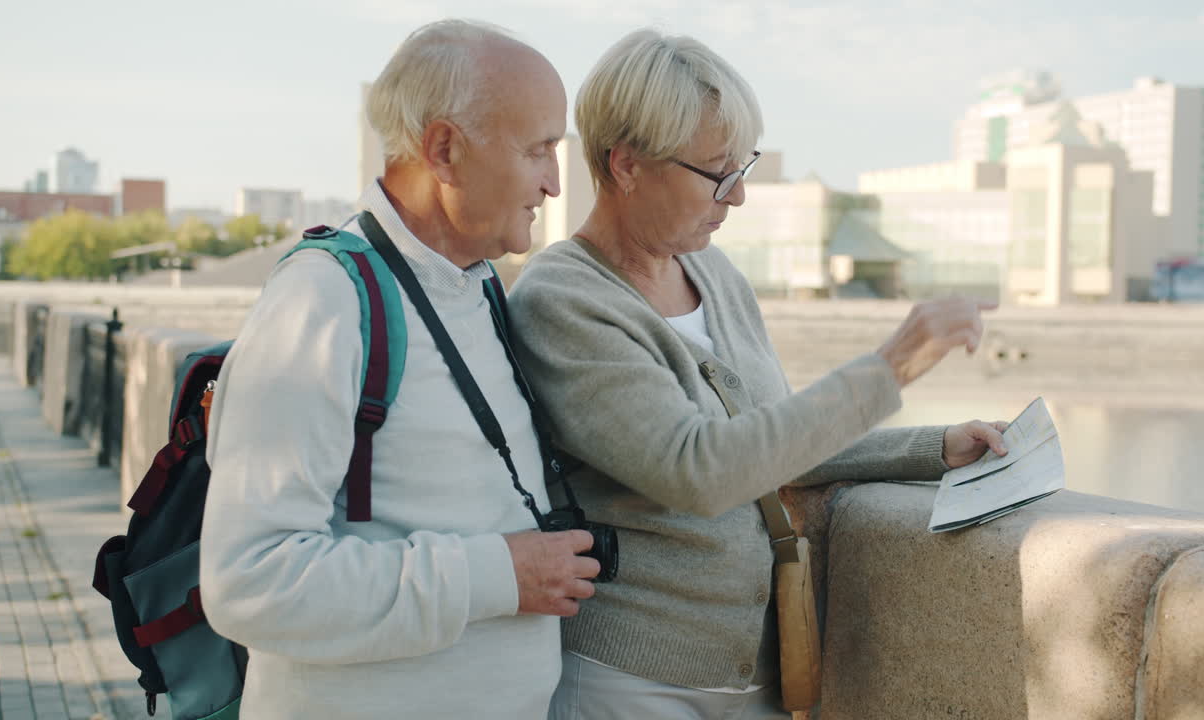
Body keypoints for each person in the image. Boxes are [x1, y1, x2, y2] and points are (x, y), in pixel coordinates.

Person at [508, 29, 1009, 720]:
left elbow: (769, 443)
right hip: (628, 681)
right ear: (626, 165)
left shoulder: (714, 272)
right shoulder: (563, 299)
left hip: (755, 676)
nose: (737, 196)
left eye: (742, 166)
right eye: (718, 173)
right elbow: (702, 470)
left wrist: (929, 448)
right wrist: (892, 366)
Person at [199, 20, 599, 720]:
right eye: (539, 149)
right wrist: (496, 575)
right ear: (445, 149)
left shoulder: (475, 285)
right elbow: (249, 581)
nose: (554, 181)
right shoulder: (321, 299)